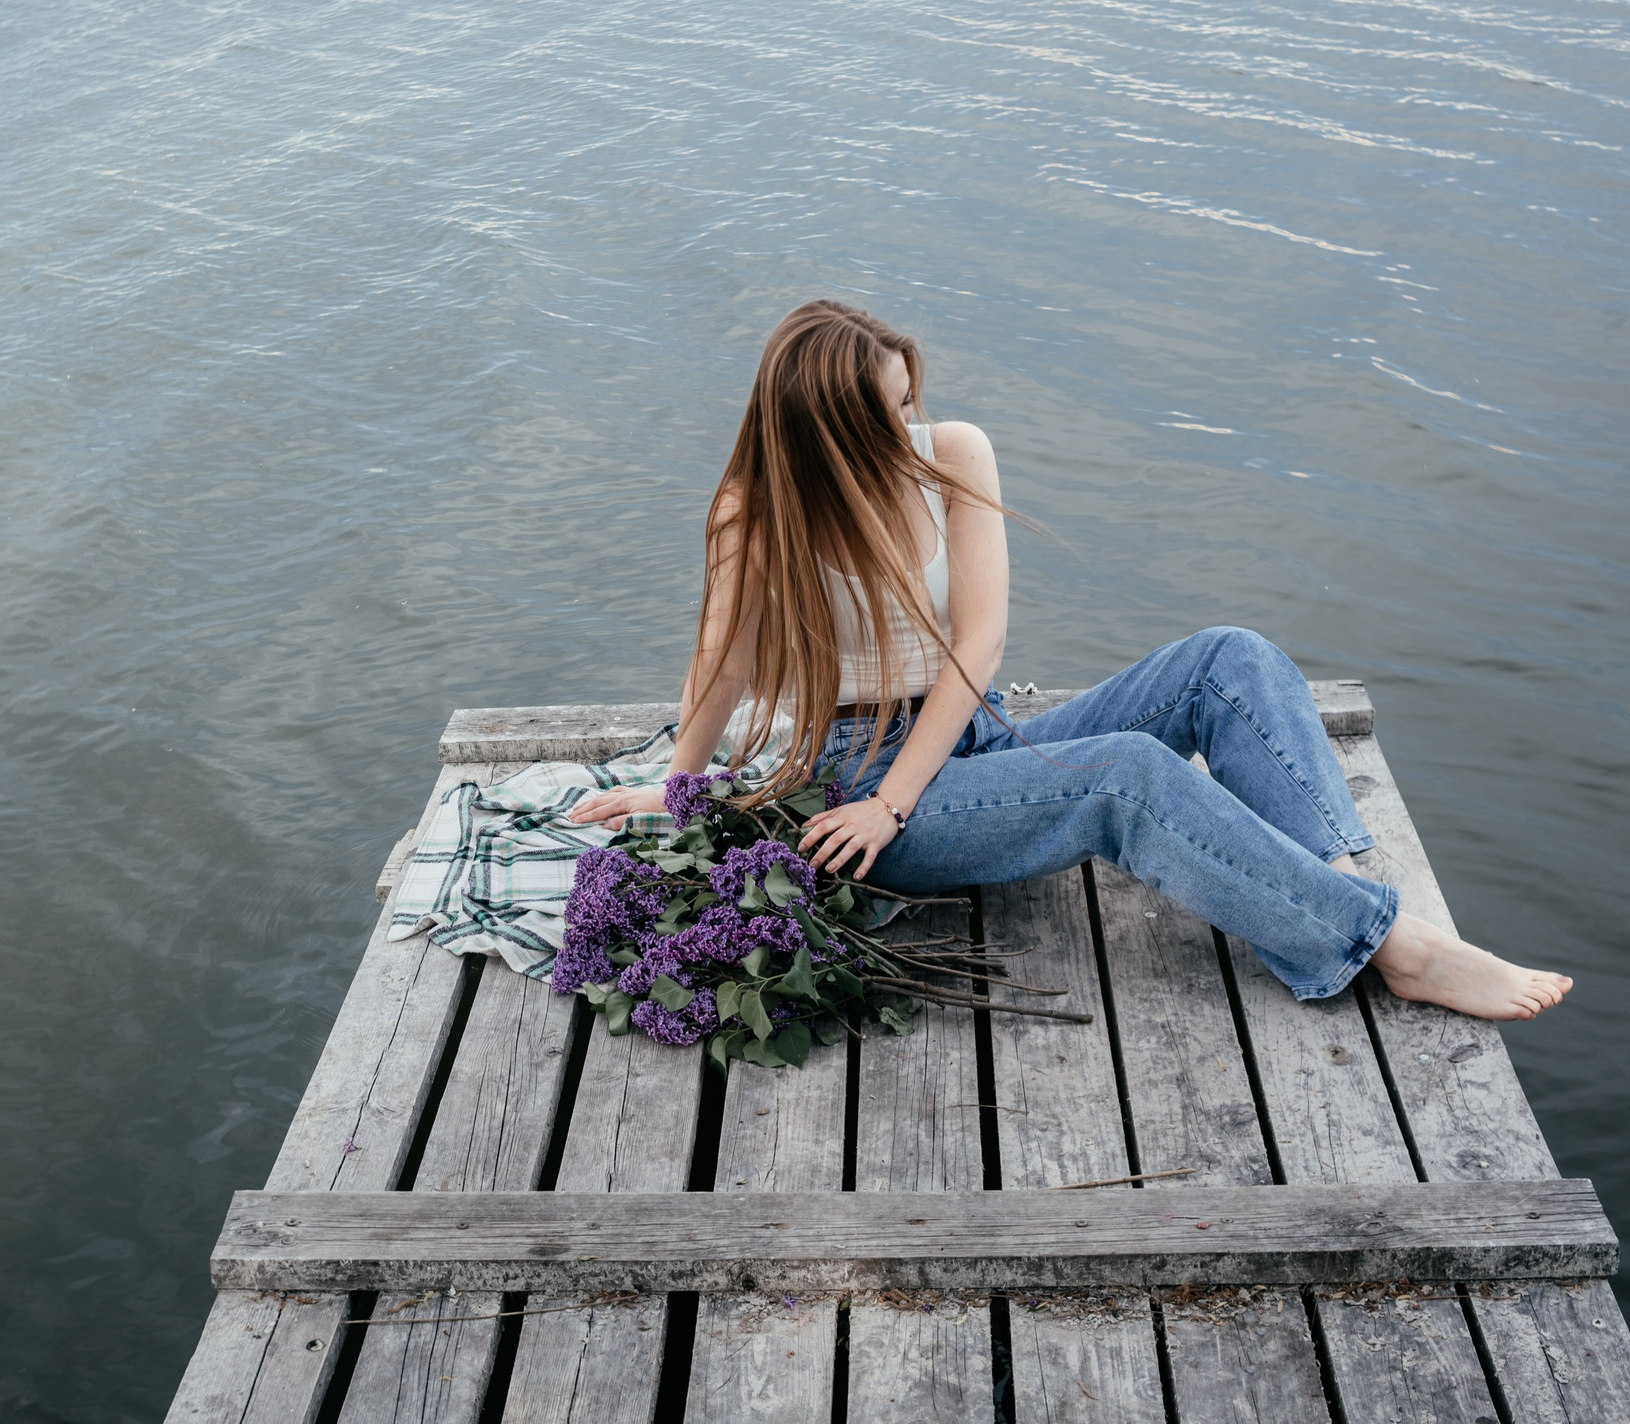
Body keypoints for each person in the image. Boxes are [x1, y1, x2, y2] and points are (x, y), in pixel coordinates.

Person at [570, 299, 1570, 1021]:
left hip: (973, 730)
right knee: (1125, 775)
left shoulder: (952, 451)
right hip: (861, 781)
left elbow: (980, 643)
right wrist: (684, 789)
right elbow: (722, 669)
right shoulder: (754, 510)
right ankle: (1393, 945)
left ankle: (1336, 896)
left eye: (909, 398)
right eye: (884, 415)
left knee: (1229, 657)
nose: (908, 425)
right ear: (827, 432)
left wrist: (911, 786)